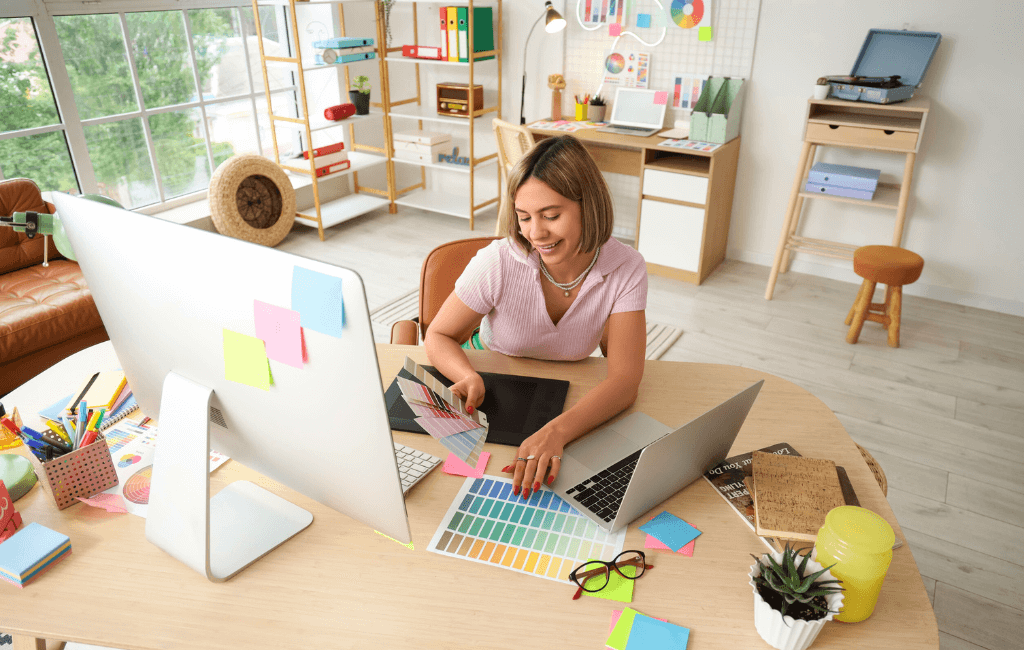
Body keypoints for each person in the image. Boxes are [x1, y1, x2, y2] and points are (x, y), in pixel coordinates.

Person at [424, 135, 647, 500]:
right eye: (524, 217)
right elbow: (439, 335)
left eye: (551, 215)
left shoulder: (626, 267)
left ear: (587, 206)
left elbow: (625, 380)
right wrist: (466, 374)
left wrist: (556, 432)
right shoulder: (497, 261)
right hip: (494, 389)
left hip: (568, 394)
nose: (536, 233)